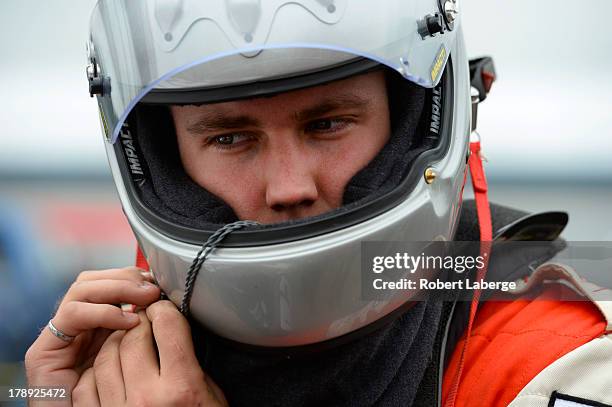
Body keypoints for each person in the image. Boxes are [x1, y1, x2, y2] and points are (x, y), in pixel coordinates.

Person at [25, 1, 611, 406]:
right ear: (162, 163)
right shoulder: (108, 361)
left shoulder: (555, 361)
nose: (288, 188)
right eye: (230, 138)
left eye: (328, 124)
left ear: (413, 125)